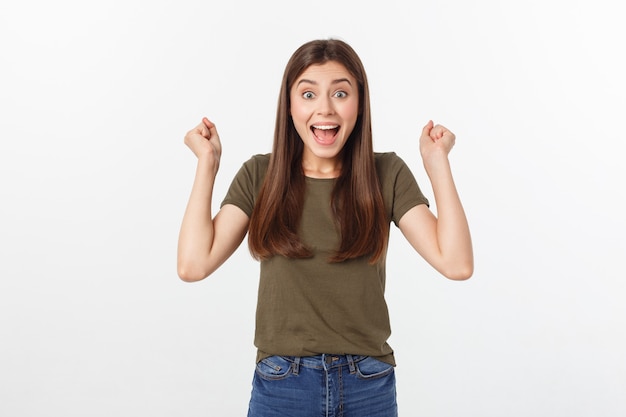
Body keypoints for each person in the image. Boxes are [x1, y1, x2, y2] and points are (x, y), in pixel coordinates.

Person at [177, 38, 473, 417]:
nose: (325, 108)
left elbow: (457, 263)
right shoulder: (260, 175)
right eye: (308, 94)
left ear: (360, 104)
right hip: (283, 384)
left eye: (340, 93)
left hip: (368, 385)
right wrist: (208, 164)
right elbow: (193, 264)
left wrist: (437, 164)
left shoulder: (387, 174)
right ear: (289, 106)